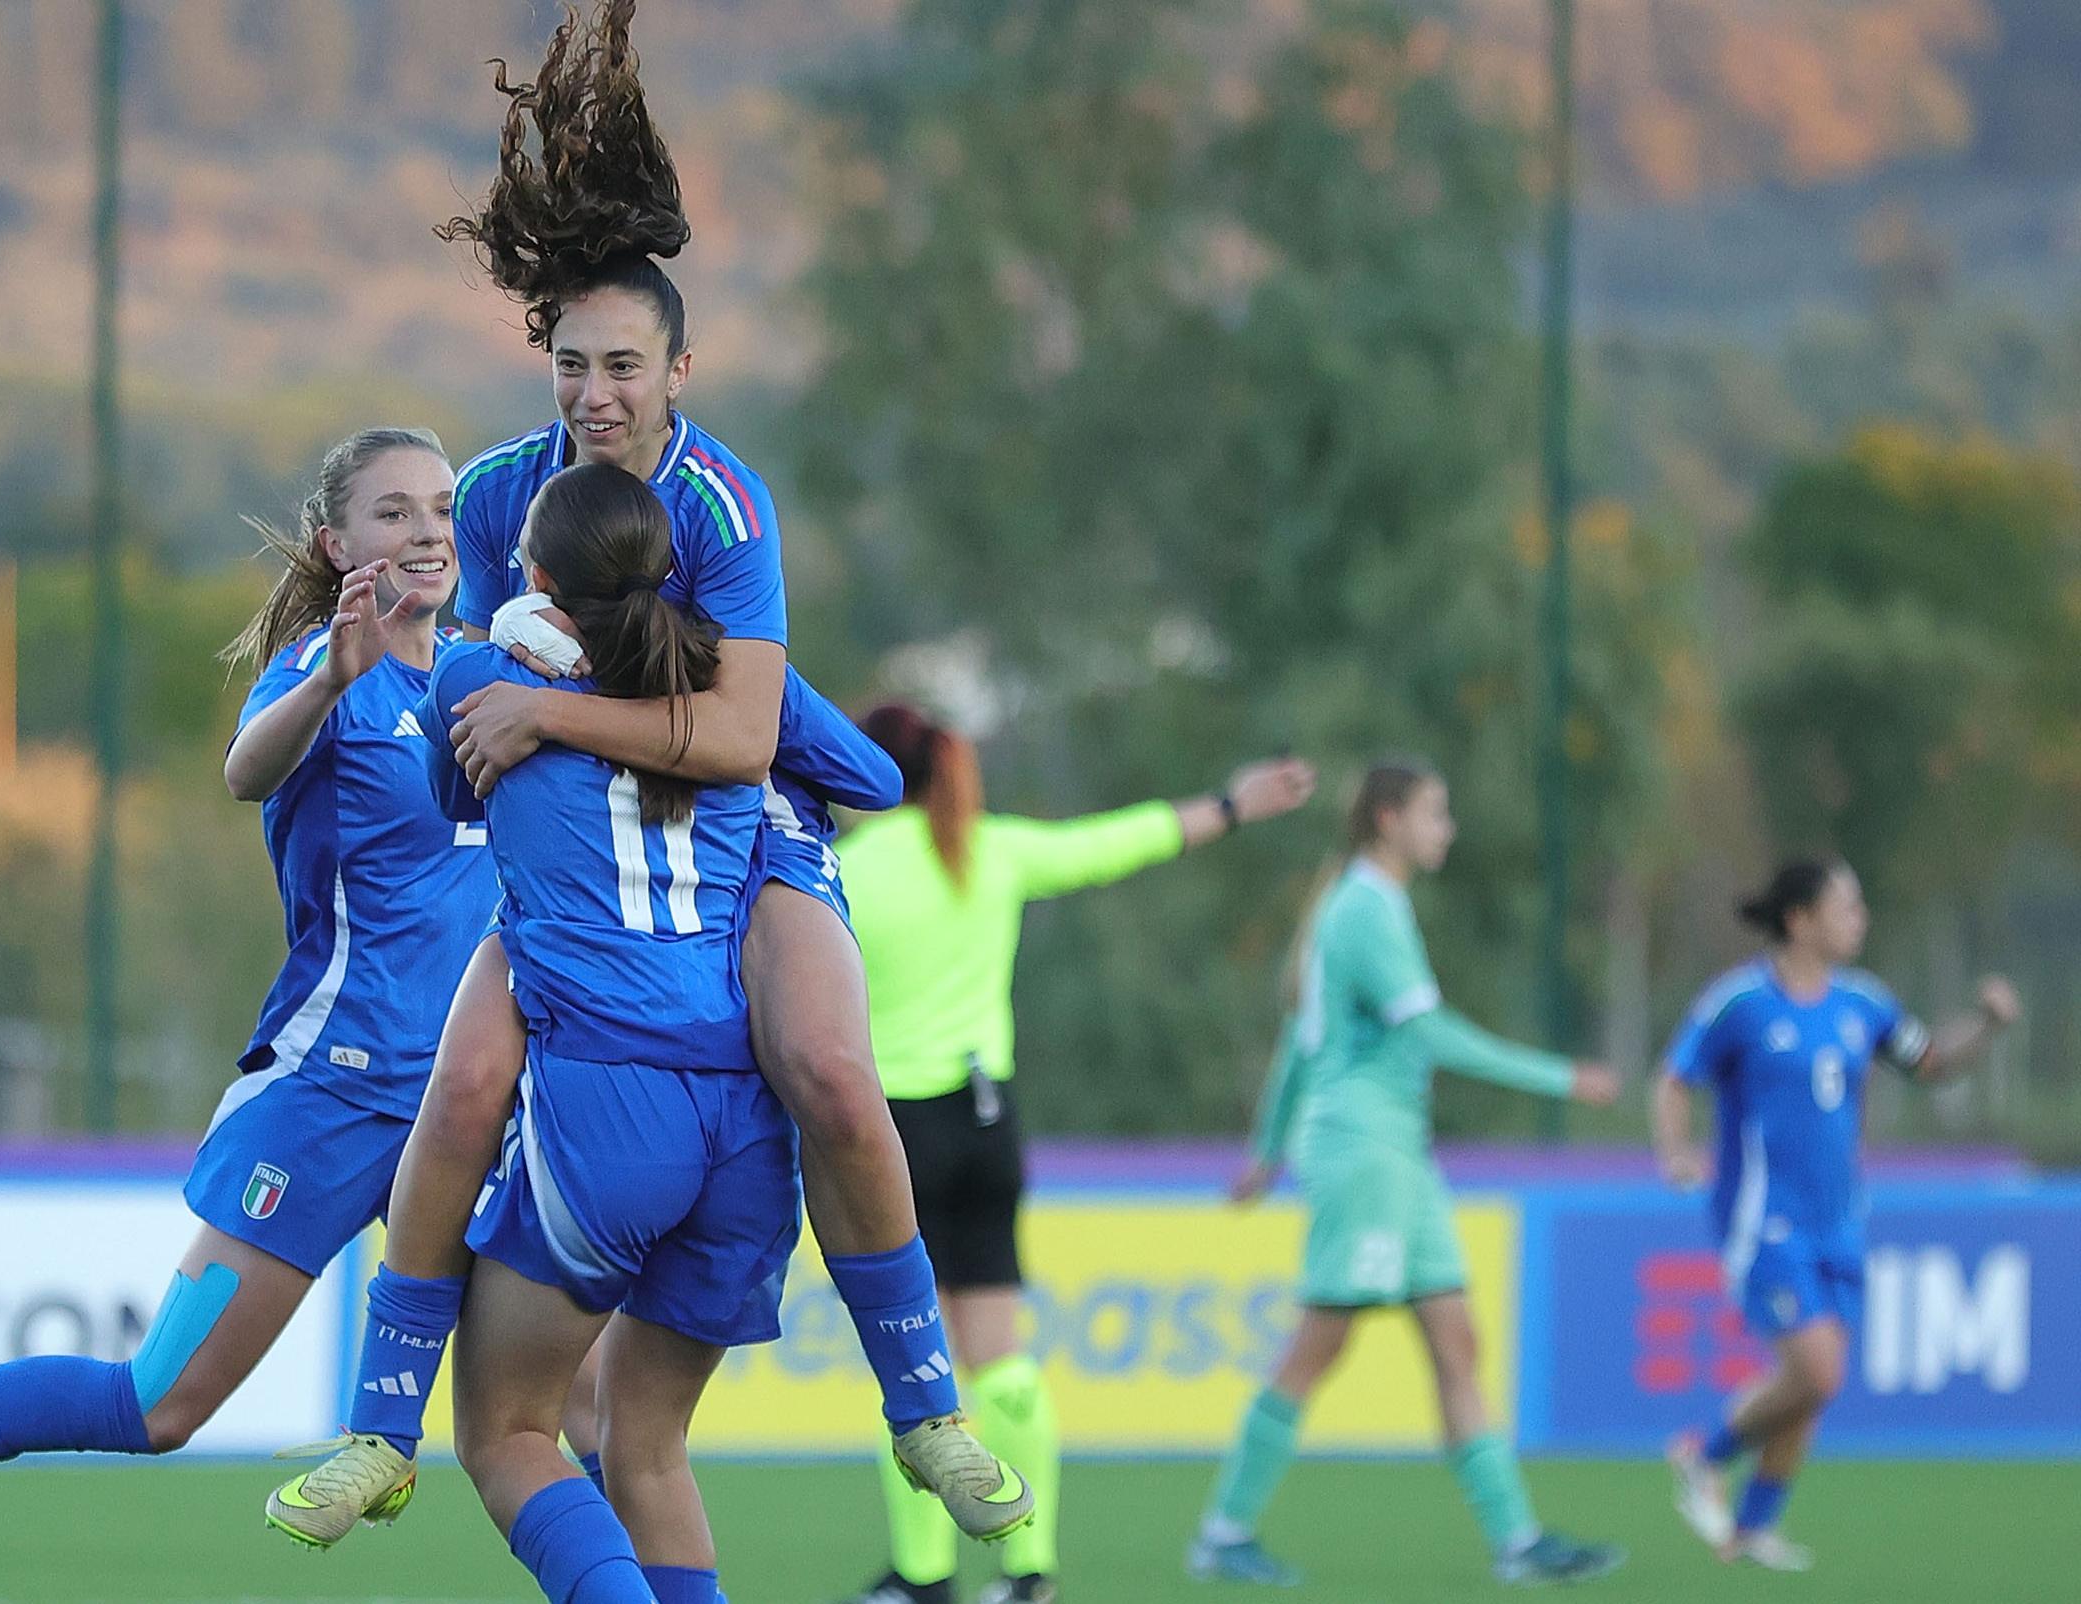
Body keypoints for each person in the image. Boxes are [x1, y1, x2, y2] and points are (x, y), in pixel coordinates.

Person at [277, 0, 1027, 1549]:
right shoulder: (500, 496)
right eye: (571, 365)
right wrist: (488, 727)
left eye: (624, 365)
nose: (594, 394)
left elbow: (745, 742)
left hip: (751, 834)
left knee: (831, 1070)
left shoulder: (727, 505)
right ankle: (375, 1436)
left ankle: (926, 1412)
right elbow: (491, 708)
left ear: (684, 369)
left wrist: (548, 723)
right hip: (589, 862)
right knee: (462, 1087)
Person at [0, 429, 496, 1590]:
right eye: (394, 512)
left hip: (468, 1098)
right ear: (339, 544)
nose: (427, 530)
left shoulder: (485, 676)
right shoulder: (326, 673)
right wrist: (329, 679)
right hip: (334, 1093)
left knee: (572, 1400)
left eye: (440, 507)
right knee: (158, 1403)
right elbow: (244, 769)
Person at [836, 705, 1316, 1604]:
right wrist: (1231, 804)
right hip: (987, 1122)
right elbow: (1116, 843)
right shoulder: (991, 850)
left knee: (909, 1360)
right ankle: (1030, 1569)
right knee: (1002, 1360)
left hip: (894, 1134)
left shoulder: (847, 869)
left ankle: (923, 1576)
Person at [429, 461, 796, 1604]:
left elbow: (453, 792)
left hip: (612, 1103)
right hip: (748, 1120)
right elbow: (866, 771)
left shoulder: (479, 674)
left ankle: (373, 1416)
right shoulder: (725, 716)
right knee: (645, 1445)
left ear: (532, 574)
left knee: (505, 1430)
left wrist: (528, 669)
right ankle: (923, 1404)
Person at [1191, 761, 1625, 1588]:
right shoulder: (1363, 910)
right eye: (1436, 812)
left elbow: (1299, 1042)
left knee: (1457, 1340)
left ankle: (1518, 1541)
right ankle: (1223, 1532)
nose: (1447, 829)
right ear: (1389, 819)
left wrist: (1268, 1151)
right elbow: (1433, 1036)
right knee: (1321, 1343)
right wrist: (1561, 1078)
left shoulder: (1367, 904)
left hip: (1400, 1154)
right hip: (1363, 1150)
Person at [1652, 859, 2017, 1572]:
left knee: (1813, 1390)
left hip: (1840, 1220)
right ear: (1800, 920)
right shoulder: (1742, 1003)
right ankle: (1704, 1457)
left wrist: (1987, 1026)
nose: (1860, 918)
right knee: (1816, 1372)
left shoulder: (1864, 1003)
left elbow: (1930, 1063)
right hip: (1765, 1221)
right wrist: (1675, 1151)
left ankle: (1751, 1529)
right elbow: (1674, 1077)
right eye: (1846, 906)